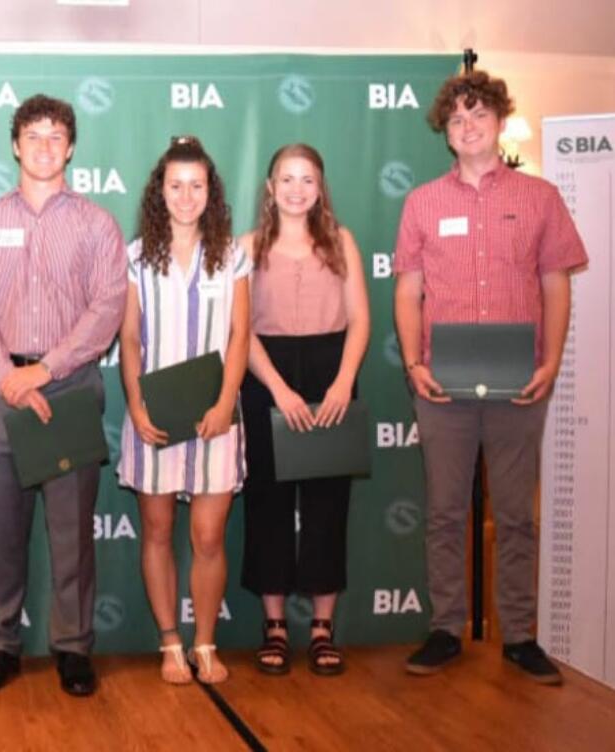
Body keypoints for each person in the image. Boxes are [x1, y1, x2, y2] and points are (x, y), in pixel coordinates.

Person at [394, 70, 586, 684]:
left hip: (519, 383)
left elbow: (556, 284)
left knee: (517, 515)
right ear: (445, 133)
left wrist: (551, 361)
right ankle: (446, 629)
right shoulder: (423, 202)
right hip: (441, 384)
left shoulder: (540, 197)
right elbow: (408, 291)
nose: (468, 127)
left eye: (479, 115)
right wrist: (414, 362)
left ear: (500, 121)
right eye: (457, 119)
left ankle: (521, 637)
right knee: (446, 512)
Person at [0, 94, 126, 697]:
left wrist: (46, 369)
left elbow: (107, 309)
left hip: (70, 387)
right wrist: (8, 377)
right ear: (15, 145)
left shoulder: (96, 224)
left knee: (72, 528)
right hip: (0, 390)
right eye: (34, 136)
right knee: (1, 525)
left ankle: (73, 647)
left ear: (71, 147)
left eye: (56, 136)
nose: (45, 146)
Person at [117, 136, 251, 686]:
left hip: (217, 417)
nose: (186, 195)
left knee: (209, 537)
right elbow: (128, 340)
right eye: (176, 185)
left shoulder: (233, 254)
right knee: (155, 530)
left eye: (197, 186)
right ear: (160, 191)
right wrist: (137, 404)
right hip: (155, 415)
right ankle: (170, 643)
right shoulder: (134, 256)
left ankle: (205, 642)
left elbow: (242, 334)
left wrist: (224, 404)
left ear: (210, 192)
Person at [237, 143, 370, 676]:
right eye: (286, 179)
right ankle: (273, 626)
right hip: (266, 377)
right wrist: (278, 389)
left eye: (307, 179)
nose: (296, 189)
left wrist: (341, 384)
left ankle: (321, 627)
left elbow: (360, 319)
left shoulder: (341, 242)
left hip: (331, 373)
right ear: (270, 188)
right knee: (267, 502)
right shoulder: (246, 247)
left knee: (326, 504)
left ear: (321, 187)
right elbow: (239, 331)